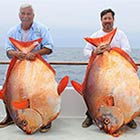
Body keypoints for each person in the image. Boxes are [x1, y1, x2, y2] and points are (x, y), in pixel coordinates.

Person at [0, 3, 54, 133]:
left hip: (38, 68)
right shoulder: (12, 31)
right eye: (23, 14)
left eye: (28, 14)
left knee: (42, 92)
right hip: (19, 68)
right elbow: (8, 50)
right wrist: (17, 53)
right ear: (19, 15)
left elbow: (49, 48)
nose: (26, 16)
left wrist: (34, 54)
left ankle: (46, 120)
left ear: (33, 15)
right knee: (8, 90)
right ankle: (10, 117)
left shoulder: (42, 29)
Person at [82, 8, 137, 129]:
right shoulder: (96, 35)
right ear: (101, 20)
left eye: (109, 18)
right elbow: (85, 51)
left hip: (118, 71)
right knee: (94, 93)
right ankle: (90, 116)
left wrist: (111, 50)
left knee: (122, 93)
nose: (107, 21)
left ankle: (129, 119)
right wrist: (95, 51)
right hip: (101, 73)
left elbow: (127, 49)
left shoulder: (120, 34)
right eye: (105, 18)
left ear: (113, 20)